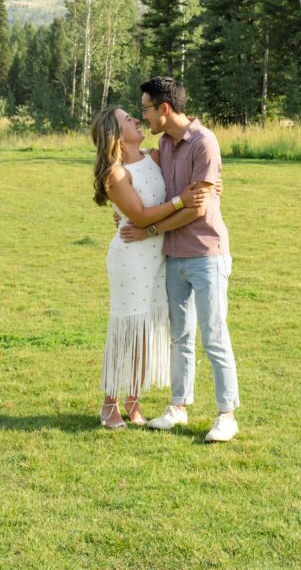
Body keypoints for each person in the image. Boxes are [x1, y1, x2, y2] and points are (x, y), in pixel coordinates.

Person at [120, 76, 240, 443]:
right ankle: (178, 407)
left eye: (146, 108)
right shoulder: (165, 146)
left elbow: (197, 209)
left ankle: (226, 415)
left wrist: (152, 230)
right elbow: (142, 181)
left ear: (164, 109)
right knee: (181, 337)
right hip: (174, 256)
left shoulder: (204, 142)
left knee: (214, 335)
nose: (144, 115)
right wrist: (125, 213)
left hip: (206, 254)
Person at [91, 106, 211, 429]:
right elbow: (141, 216)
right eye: (128, 119)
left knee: (146, 330)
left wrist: (212, 185)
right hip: (131, 257)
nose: (135, 120)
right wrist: (180, 202)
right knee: (125, 328)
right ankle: (108, 403)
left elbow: (185, 178)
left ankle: (133, 399)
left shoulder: (154, 156)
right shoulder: (115, 174)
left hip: (157, 256)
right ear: (116, 134)